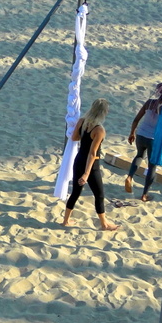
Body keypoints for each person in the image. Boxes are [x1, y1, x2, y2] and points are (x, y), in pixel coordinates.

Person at [61, 98, 118, 230]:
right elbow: (92, 153)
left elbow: (74, 138)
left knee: (75, 192)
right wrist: (87, 174)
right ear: (103, 113)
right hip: (91, 165)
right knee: (99, 194)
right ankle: (104, 224)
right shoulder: (99, 130)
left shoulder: (82, 121)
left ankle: (65, 221)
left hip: (79, 159)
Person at [123, 82, 162, 195]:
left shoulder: (149, 102)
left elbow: (136, 119)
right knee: (152, 166)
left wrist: (132, 133)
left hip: (141, 134)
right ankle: (144, 194)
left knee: (139, 155)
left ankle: (130, 176)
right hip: (154, 139)